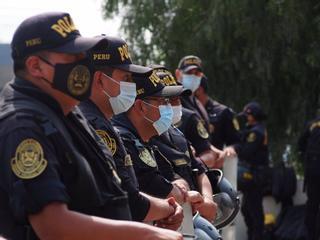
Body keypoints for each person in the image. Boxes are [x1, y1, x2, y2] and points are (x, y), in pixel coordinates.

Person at [0, 12, 182, 240]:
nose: (83, 66)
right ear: (36, 66)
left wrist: (166, 209)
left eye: (83, 57)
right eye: (72, 58)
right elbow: (53, 226)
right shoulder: (22, 126)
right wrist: (145, 234)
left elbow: (111, 193)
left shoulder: (67, 110)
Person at [79, 36, 183, 228]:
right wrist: (169, 208)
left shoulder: (100, 121)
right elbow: (125, 199)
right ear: (101, 79)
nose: (132, 87)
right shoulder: (96, 126)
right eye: (126, 78)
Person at [149, 66, 217, 222]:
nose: (175, 104)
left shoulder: (177, 133)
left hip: (195, 216)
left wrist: (207, 200)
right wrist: (190, 199)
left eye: (177, 98)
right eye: (167, 100)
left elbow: (199, 170)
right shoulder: (142, 136)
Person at [175, 55, 225, 169]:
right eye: (189, 73)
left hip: (202, 165)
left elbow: (200, 136)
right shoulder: (175, 101)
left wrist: (216, 152)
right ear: (178, 74)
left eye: (197, 73)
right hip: (188, 166)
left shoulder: (196, 102)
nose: (193, 76)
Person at [237, 101, 269, 240]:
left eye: (247, 115)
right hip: (251, 175)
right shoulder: (253, 129)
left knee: (255, 212)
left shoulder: (256, 132)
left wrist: (236, 144)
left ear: (253, 116)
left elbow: (246, 152)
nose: (245, 118)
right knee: (247, 210)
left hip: (255, 176)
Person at [195, 75, 241, 157]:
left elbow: (237, 142)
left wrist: (231, 148)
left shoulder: (223, 112)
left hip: (214, 163)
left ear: (199, 89)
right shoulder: (183, 111)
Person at [298, 115, 320, 240]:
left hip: (312, 170)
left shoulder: (312, 122)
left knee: (312, 205)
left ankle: (310, 236)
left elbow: (300, 144)